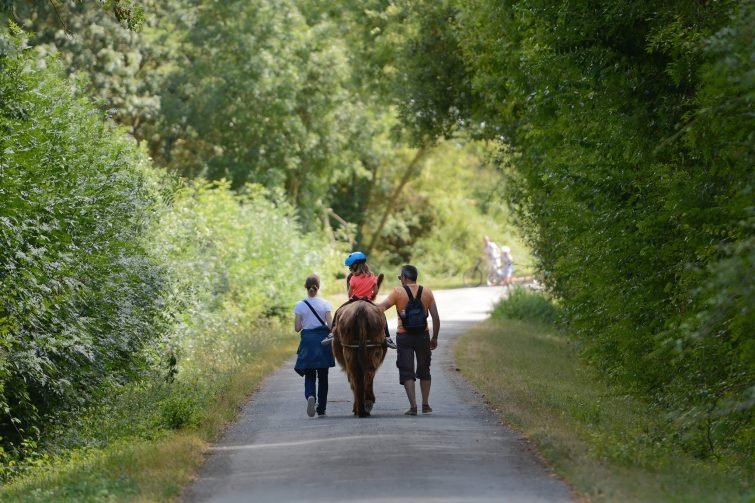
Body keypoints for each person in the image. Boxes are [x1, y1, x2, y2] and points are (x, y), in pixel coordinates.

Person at [379, 264, 440, 416]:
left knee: (407, 370)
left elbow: (380, 308)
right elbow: (436, 318)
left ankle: (413, 407)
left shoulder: (397, 292)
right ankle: (425, 404)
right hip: (423, 336)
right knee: (424, 369)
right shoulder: (427, 292)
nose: (400, 280)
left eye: (401, 278)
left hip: (404, 336)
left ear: (405, 278)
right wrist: (434, 338)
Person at [322, 251, 397, 349]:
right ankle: (387, 337)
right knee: (382, 315)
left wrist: (353, 297)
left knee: (338, 312)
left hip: (354, 300)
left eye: (350, 267)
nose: (350, 269)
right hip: (368, 301)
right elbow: (375, 290)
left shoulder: (353, 278)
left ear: (356, 265)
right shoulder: (372, 276)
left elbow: (349, 294)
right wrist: (370, 294)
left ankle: (332, 333)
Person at [293, 274, 334, 417]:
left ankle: (310, 396)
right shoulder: (325, 304)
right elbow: (331, 326)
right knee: (323, 376)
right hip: (322, 342)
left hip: (308, 342)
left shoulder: (299, 305)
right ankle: (321, 408)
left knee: (309, 374)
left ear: (305, 286)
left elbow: (297, 328)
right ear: (318, 286)